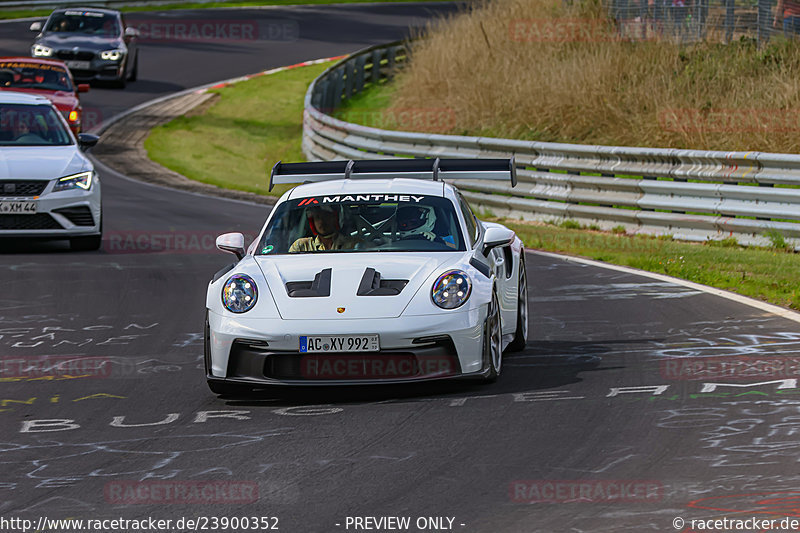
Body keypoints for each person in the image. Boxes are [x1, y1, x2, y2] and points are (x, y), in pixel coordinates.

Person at [289, 205, 362, 252]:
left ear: (336, 218)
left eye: (326, 216)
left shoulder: (354, 245)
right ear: (312, 221)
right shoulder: (301, 246)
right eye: (317, 217)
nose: (321, 221)